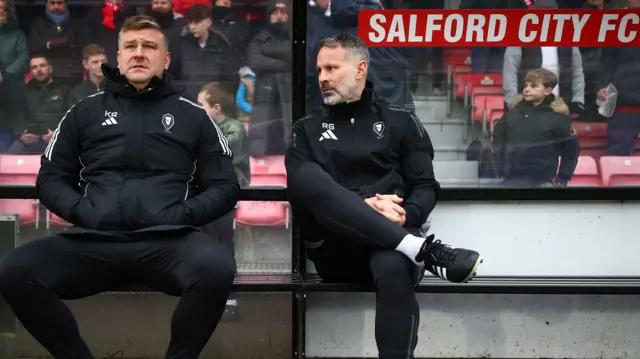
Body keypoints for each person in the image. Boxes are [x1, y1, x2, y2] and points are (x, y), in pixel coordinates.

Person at [0, 15, 240, 359]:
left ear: (166, 59)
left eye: (149, 46)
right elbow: (50, 178)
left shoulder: (193, 116)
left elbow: (224, 185)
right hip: (95, 240)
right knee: (15, 271)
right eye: (131, 46)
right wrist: (83, 211)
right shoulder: (83, 111)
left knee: (217, 268)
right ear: (119, 56)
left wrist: (182, 214)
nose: (139, 53)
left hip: (167, 241)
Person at [285, 33, 483, 359]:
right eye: (319, 70)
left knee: (395, 265)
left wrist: (407, 215)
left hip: (390, 246)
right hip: (336, 249)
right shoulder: (306, 128)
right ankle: (423, 250)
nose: (322, 78)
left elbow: (425, 186)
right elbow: (305, 193)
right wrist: (364, 206)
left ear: (360, 68)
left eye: (332, 68)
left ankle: (412, 249)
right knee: (304, 175)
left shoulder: (401, 121)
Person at [197, 81, 250, 317]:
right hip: (208, 194)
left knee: (223, 244)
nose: (197, 109)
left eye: (201, 105)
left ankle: (228, 296)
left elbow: (215, 155)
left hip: (225, 196)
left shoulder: (234, 128)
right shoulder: (208, 128)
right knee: (205, 244)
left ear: (216, 108)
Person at [493, 68, 579, 188]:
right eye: (526, 85)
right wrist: (499, 170)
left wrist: (562, 179)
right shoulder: (513, 112)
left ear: (548, 91)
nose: (526, 89)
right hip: (510, 181)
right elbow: (497, 142)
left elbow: (571, 151)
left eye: (533, 86)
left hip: (543, 183)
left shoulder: (559, 116)